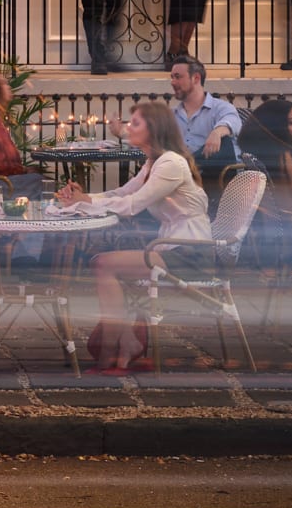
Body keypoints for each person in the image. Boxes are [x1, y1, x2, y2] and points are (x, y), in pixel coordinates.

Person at [57, 99, 211, 373]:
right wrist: (82, 199)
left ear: (154, 129)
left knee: (103, 263)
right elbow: (121, 194)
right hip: (170, 247)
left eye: (135, 122)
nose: (129, 127)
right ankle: (125, 341)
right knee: (102, 263)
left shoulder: (170, 164)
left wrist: (85, 203)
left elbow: (131, 206)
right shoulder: (154, 162)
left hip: (189, 252)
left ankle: (109, 351)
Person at [163, 53, 242, 178]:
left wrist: (217, 132)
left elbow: (234, 122)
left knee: (225, 141)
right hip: (182, 179)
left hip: (215, 178)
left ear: (196, 78)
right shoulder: (171, 116)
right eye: (172, 77)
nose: (172, 82)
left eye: (178, 77)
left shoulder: (220, 107)